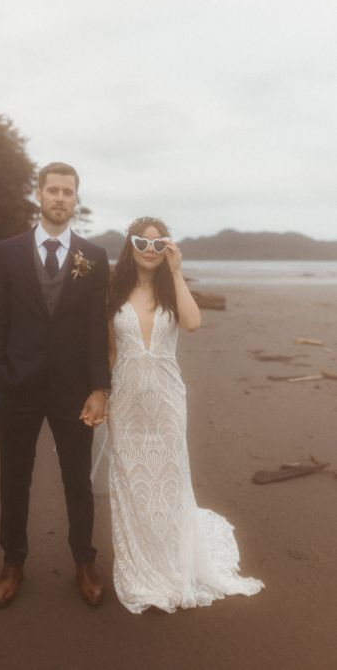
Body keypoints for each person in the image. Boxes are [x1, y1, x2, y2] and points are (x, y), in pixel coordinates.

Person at [107, 216, 264, 614]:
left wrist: (177, 272)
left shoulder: (170, 290)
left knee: (168, 481)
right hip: (125, 403)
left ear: (167, 251)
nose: (149, 249)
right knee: (131, 483)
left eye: (158, 245)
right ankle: (140, 567)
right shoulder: (113, 292)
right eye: (142, 242)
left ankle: (172, 566)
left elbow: (193, 323)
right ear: (130, 245)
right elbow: (109, 351)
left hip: (167, 401)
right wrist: (102, 395)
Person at [0, 162, 111, 608]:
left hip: (73, 389)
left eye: (68, 192)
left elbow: (98, 327)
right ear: (38, 194)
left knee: (77, 479)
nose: (60, 198)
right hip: (16, 386)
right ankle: (12, 561)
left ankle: (84, 561)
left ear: (76, 199)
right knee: (14, 477)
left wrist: (100, 388)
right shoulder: (7, 251)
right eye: (52, 190)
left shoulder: (93, 257)